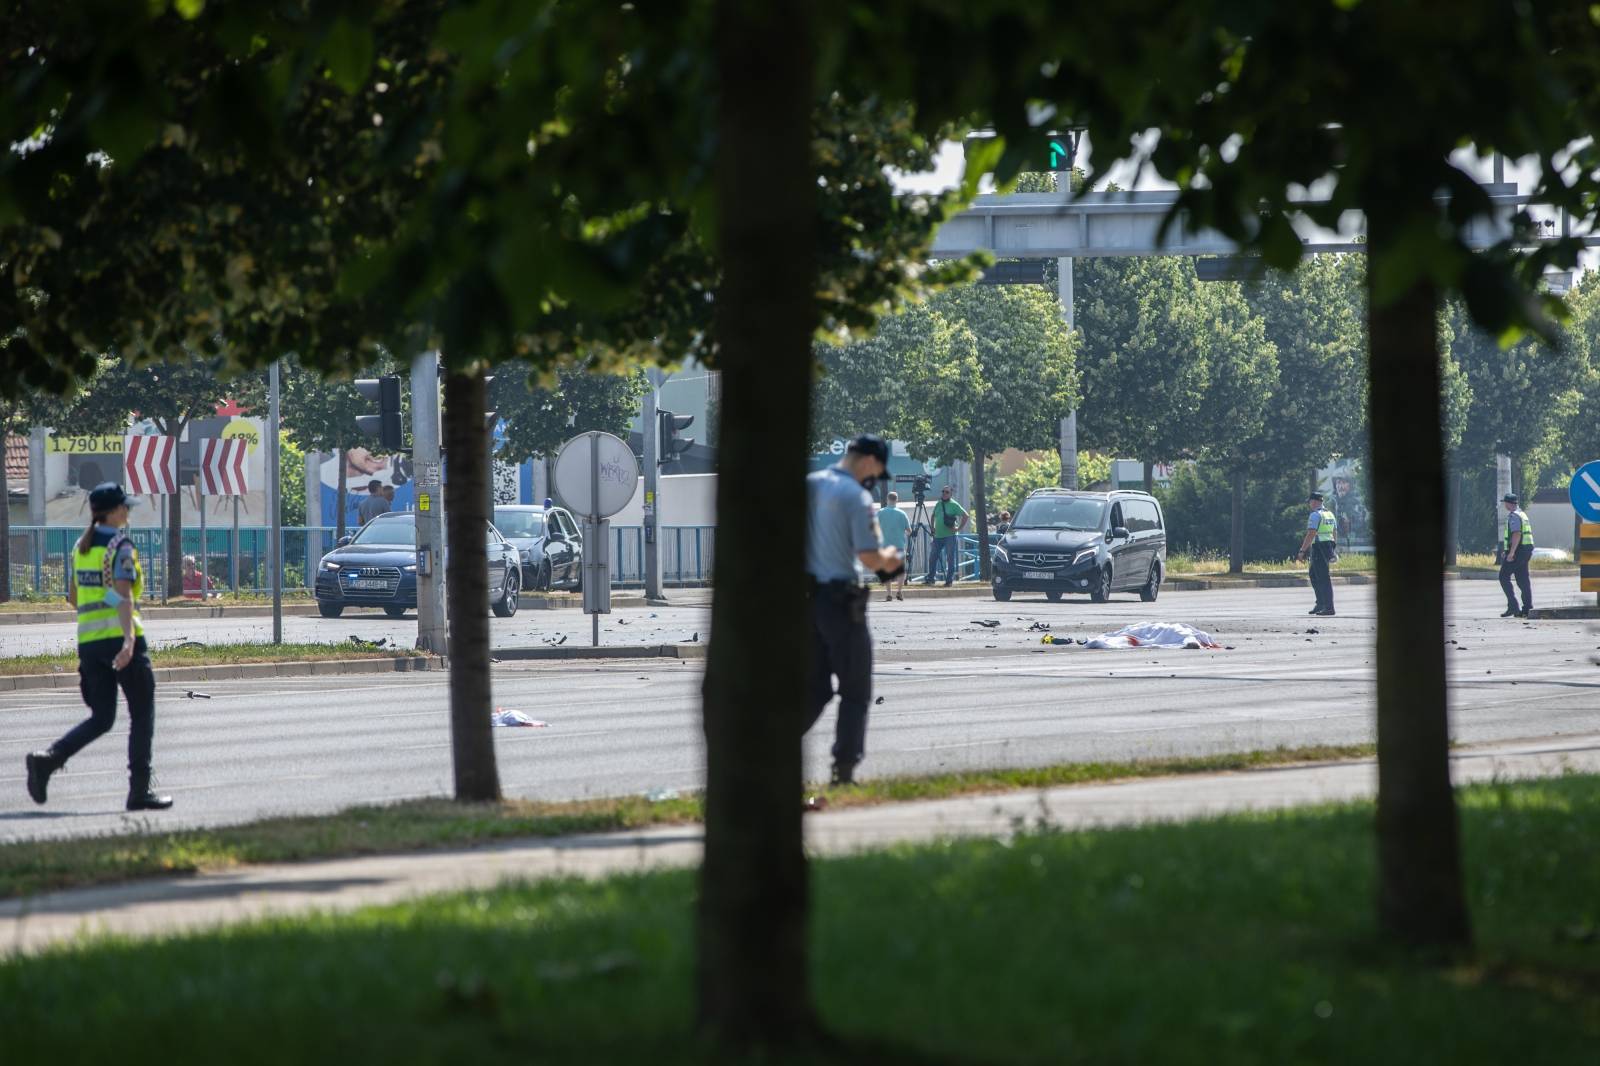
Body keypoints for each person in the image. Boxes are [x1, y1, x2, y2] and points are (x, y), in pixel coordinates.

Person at [25, 483, 173, 811]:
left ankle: (48, 759)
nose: (128, 512)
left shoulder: (82, 547)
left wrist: (103, 600)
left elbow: (74, 598)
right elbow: (123, 595)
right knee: (142, 714)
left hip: (89, 643)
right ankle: (139, 791)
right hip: (121, 641)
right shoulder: (119, 545)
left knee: (103, 718)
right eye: (125, 507)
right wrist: (129, 640)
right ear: (113, 512)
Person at [805, 434, 903, 786]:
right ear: (868, 462)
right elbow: (869, 556)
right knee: (856, 688)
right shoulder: (857, 497)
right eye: (877, 471)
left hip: (804, 600)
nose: (874, 479)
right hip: (839, 602)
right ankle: (843, 769)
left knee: (812, 688)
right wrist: (893, 562)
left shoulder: (809, 484)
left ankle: (766, 748)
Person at [1296, 491, 1338, 616]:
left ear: (1314, 502)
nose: (1309, 504)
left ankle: (1329, 607)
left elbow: (1311, 533)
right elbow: (1335, 532)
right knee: (1314, 574)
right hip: (1328, 545)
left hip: (1319, 547)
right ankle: (1320, 603)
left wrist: (1302, 551)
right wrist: (1333, 548)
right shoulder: (1330, 514)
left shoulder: (1315, 515)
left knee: (1323, 577)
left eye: (1310, 502)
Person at [923, 484, 969, 586]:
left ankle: (949, 581)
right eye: (943, 491)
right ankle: (931, 578)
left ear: (951, 494)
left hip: (950, 536)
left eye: (947, 492)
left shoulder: (954, 505)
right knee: (932, 557)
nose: (944, 493)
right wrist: (932, 527)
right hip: (938, 536)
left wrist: (959, 528)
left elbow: (966, 515)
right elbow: (933, 516)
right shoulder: (939, 504)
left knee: (950, 558)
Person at [1498, 492, 1535, 618]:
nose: (1504, 505)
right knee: (1523, 579)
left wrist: (1512, 552)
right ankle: (1527, 608)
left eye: (1505, 503)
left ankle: (1513, 606)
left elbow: (1517, 534)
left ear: (1509, 503)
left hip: (1519, 551)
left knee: (1503, 576)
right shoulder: (1522, 514)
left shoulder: (1514, 516)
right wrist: (1508, 550)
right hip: (1526, 550)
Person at [876, 492, 911, 602]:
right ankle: (899, 592)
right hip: (899, 546)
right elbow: (909, 531)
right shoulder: (902, 514)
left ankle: (889, 594)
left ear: (887, 499)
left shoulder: (880, 513)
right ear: (897, 500)